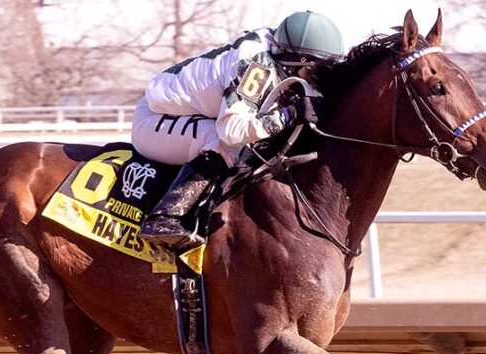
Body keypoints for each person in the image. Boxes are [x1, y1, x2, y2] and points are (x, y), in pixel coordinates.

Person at [132, 10, 345, 249]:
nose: (315, 80)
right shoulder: (257, 66)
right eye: (313, 72)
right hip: (154, 119)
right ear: (297, 62)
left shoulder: (282, 54)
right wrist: (289, 114)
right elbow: (232, 130)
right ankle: (165, 218)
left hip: (193, 114)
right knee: (224, 142)